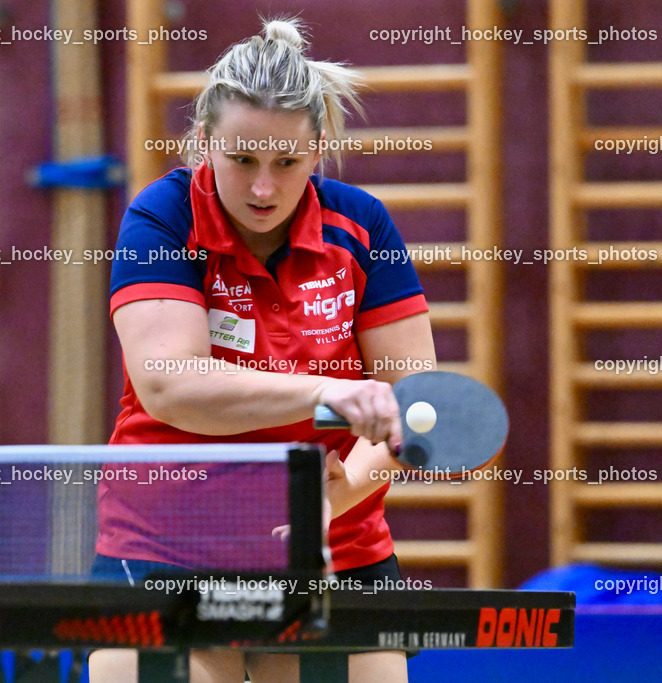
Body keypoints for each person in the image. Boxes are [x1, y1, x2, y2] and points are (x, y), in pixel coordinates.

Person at [89, 18, 435, 683]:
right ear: (202, 142)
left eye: (288, 162)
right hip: (168, 538)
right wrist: (322, 392)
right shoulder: (162, 219)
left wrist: (325, 502)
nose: (263, 189)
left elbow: (413, 405)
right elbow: (170, 384)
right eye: (242, 159)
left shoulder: (363, 225)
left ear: (320, 148)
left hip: (332, 543)